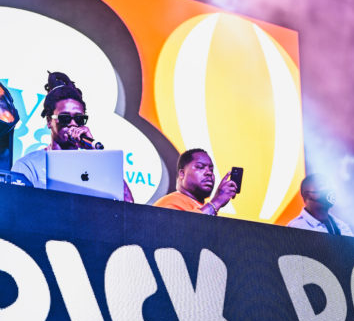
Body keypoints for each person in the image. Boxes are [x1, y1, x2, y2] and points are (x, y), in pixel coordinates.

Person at [12, 71, 133, 201]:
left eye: (79, 119)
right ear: (49, 121)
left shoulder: (94, 168)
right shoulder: (29, 165)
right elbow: (16, 207)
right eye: (65, 118)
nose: (73, 124)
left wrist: (96, 155)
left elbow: (129, 205)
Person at [153, 148, 237, 215]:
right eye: (200, 167)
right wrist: (216, 202)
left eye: (211, 169)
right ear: (182, 174)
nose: (209, 173)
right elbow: (183, 228)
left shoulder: (204, 208)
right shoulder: (169, 202)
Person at [287, 173, 354, 236]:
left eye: (329, 186)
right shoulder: (295, 227)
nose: (328, 190)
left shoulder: (342, 227)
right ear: (307, 195)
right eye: (322, 186)